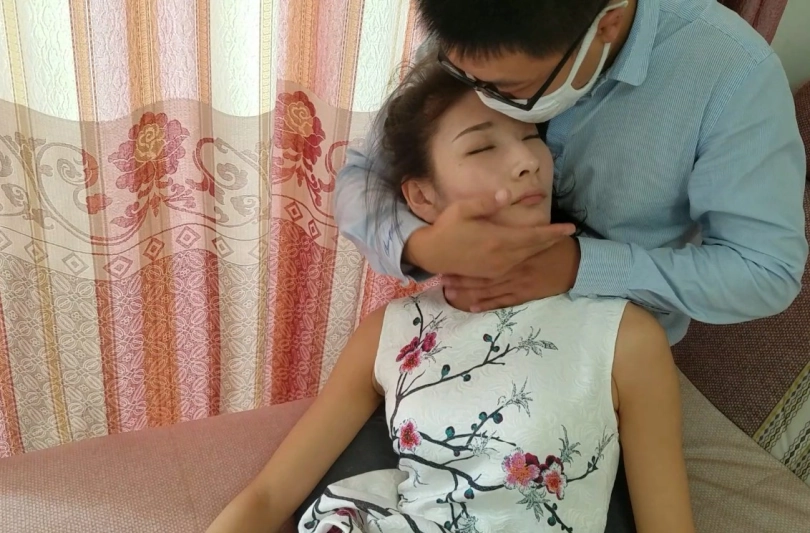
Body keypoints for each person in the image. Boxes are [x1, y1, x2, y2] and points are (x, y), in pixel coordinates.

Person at [207, 60, 695, 533]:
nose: (528, 162)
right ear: (422, 197)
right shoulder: (391, 332)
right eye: (483, 147)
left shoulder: (624, 337)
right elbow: (269, 496)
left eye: (532, 137)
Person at [335, 0, 808, 347]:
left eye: (509, 90)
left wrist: (581, 266)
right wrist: (423, 245)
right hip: (460, 330)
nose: (481, 95)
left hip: (605, 354)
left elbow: (766, 272)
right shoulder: (473, 34)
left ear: (608, 24)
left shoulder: (733, 75)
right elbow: (363, 177)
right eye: (467, 78)